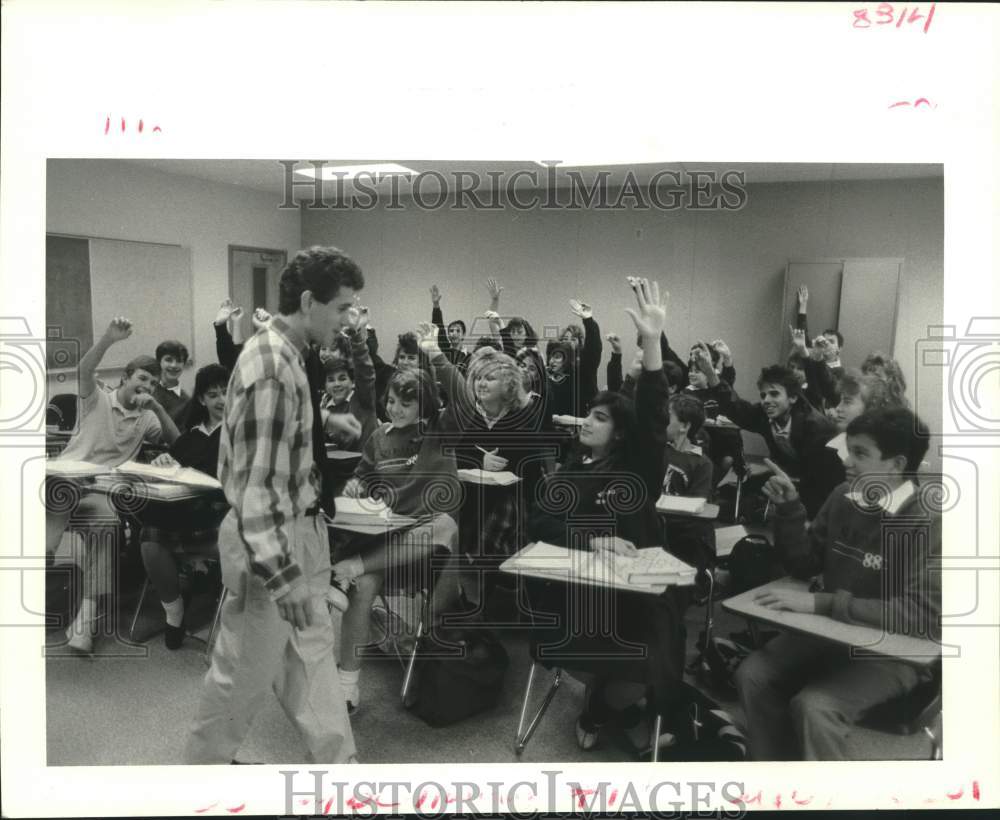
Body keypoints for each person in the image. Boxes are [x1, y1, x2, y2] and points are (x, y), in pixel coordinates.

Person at [184, 245, 363, 765]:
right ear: (309, 302)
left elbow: (270, 433)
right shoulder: (271, 366)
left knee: (311, 654)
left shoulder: (284, 354)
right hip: (272, 542)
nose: (348, 320)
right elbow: (257, 487)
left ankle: (340, 765)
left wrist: (324, 424)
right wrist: (282, 575)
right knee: (242, 672)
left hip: (299, 531)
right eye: (343, 307)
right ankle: (201, 775)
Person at [525, 277, 690, 756]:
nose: (587, 422)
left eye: (599, 418)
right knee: (599, 654)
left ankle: (603, 704)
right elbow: (540, 523)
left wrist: (653, 343)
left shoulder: (635, 467)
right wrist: (592, 539)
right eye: (589, 415)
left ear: (619, 434)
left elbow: (654, 418)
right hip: (583, 590)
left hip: (635, 601)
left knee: (647, 660)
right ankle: (609, 699)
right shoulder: (570, 469)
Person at [734, 407, 940, 760]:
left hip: (894, 653)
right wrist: (790, 510)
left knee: (816, 706)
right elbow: (804, 564)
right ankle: (775, 779)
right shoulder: (843, 496)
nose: (847, 460)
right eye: (848, 449)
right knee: (752, 673)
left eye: (860, 453)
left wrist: (823, 603)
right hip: (831, 634)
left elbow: (920, 616)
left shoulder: (929, 521)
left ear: (896, 464)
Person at [328, 358, 461, 715]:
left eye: (406, 403)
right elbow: (362, 477)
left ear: (425, 405)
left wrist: (438, 357)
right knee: (364, 584)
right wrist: (356, 485)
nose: (395, 409)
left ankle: (350, 566)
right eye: (391, 402)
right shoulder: (379, 437)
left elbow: (463, 399)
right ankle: (347, 687)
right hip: (389, 542)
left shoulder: (440, 429)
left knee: (447, 523)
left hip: (431, 551)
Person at [47, 317, 180, 654]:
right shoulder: (99, 399)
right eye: (142, 379)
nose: (146, 387)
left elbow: (177, 443)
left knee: (106, 524)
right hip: (62, 484)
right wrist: (108, 339)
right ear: (125, 378)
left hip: (98, 494)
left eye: (152, 384)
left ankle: (85, 622)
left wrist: (159, 408)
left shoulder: (147, 417)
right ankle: (45, 552)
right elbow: (83, 370)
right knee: (63, 486)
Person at [138, 363, 231, 649]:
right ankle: (173, 610)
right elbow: (174, 464)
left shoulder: (241, 432)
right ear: (202, 399)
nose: (221, 400)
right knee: (150, 537)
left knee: (158, 531)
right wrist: (164, 462)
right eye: (213, 394)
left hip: (221, 522)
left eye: (226, 392)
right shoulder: (191, 435)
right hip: (185, 518)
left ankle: (202, 588)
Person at [695, 356, 844, 519]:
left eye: (774, 394)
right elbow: (736, 409)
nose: (767, 400)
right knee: (735, 490)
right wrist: (710, 373)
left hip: (823, 483)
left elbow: (823, 478)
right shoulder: (765, 415)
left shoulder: (815, 427)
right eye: (763, 395)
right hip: (791, 472)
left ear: (793, 398)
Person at [429, 284, 470, 372]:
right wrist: (436, 305)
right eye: (451, 331)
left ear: (463, 335)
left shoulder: (469, 357)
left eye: (458, 331)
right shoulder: (444, 350)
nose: (454, 333)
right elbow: (439, 326)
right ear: (448, 335)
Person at [152, 339, 192, 427]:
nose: (174, 365)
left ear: (184, 364)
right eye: (169, 360)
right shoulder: (149, 390)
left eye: (179, 361)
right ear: (159, 362)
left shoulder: (187, 401)